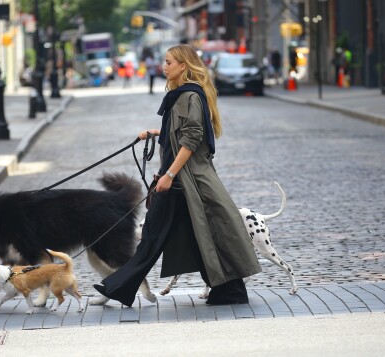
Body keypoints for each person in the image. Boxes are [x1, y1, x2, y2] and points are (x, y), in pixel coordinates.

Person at [94, 44, 262, 307]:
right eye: (165, 61)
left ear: (183, 66)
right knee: (194, 235)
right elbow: (182, 131)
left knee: (163, 235)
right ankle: (228, 291)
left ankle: (117, 288)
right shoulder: (183, 95)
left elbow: (192, 138)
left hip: (186, 181)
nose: (164, 66)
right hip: (182, 180)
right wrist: (157, 132)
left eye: (169, 62)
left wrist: (169, 175)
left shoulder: (189, 96)